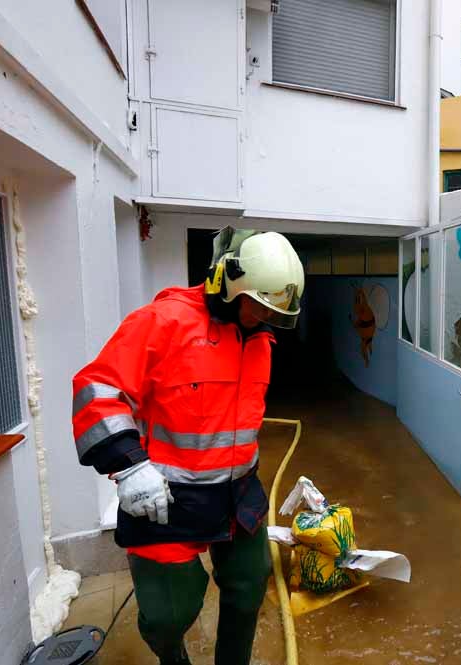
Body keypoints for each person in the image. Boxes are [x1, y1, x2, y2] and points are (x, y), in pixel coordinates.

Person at [71, 227, 305, 665]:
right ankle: (171, 657)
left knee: (250, 581)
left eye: (274, 311)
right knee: (168, 614)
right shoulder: (162, 322)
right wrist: (129, 466)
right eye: (257, 305)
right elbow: (96, 391)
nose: (263, 317)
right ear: (228, 285)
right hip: (166, 498)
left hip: (237, 492)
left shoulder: (260, 338)